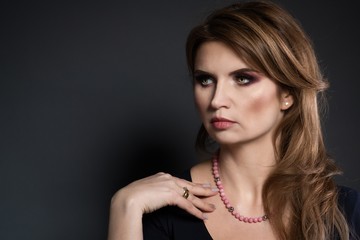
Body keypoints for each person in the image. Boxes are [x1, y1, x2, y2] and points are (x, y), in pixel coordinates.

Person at [107, 1, 360, 239]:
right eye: (205, 80)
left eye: (242, 78)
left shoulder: (345, 213)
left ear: (287, 94)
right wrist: (124, 206)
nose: (217, 100)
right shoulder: (165, 209)